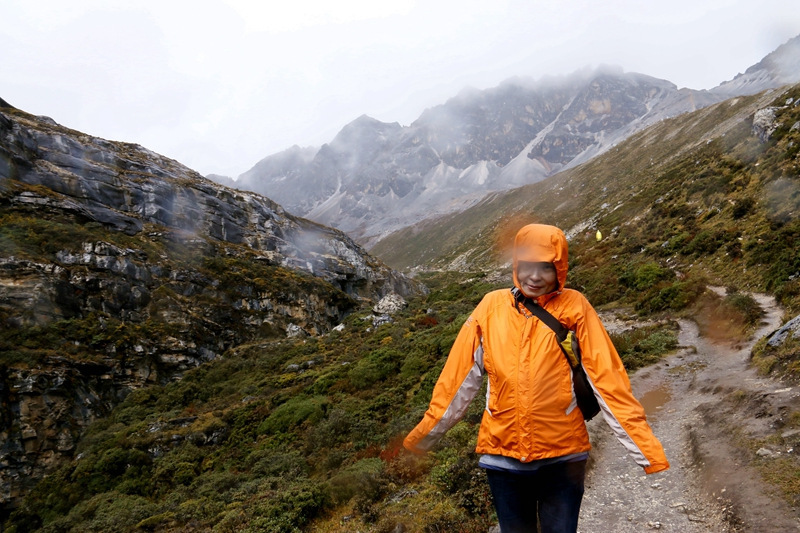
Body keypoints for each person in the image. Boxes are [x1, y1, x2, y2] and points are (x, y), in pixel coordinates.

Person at [404, 223, 669, 533]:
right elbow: (458, 379)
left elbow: (607, 378)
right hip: (503, 456)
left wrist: (645, 448)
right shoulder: (491, 307)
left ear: (559, 268)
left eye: (545, 267)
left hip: (563, 458)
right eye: (527, 265)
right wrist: (424, 436)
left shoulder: (576, 307)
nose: (534, 276)